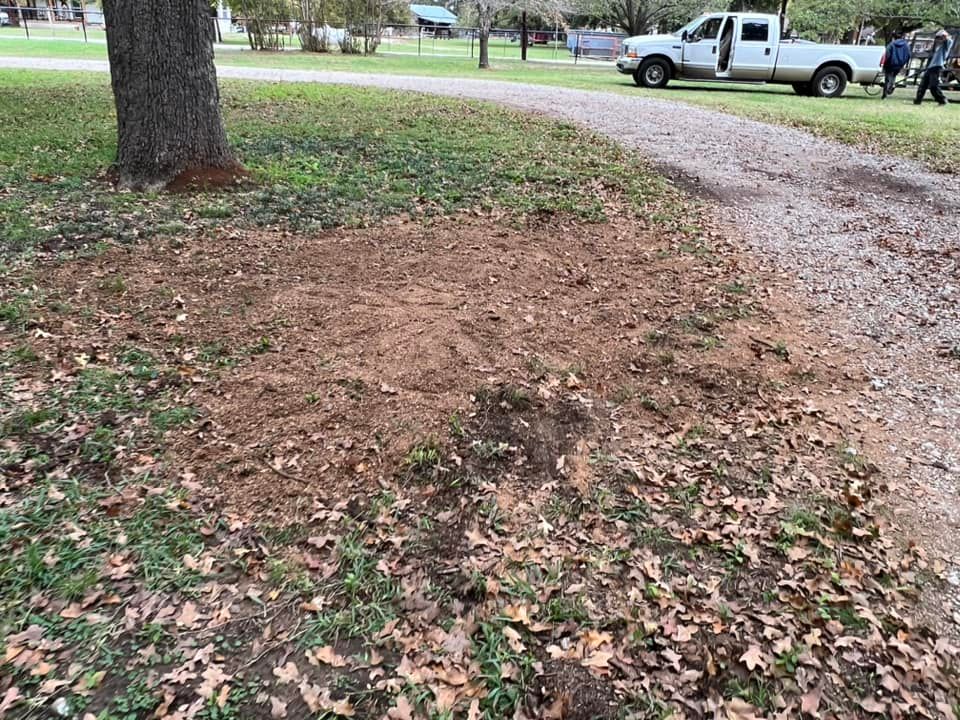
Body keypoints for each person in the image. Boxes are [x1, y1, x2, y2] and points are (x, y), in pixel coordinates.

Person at [915, 29, 953, 106]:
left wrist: (944, 35)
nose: (938, 40)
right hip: (930, 67)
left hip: (937, 67)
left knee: (933, 86)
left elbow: (949, 41)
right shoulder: (937, 47)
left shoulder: (945, 47)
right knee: (923, 85)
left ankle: (942, 100)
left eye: (940, 38)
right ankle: (917, 100)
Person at [881, 31, 911, 99]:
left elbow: (887, 54)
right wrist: (903, 62)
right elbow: (909, 55)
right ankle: (892, 86)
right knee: (893, 76)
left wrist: (884, 63)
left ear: (894, 37)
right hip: (899, 64)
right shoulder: (906, 45)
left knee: (888, 78)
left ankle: (885, 93)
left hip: (890, 64)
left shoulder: (891, 44)